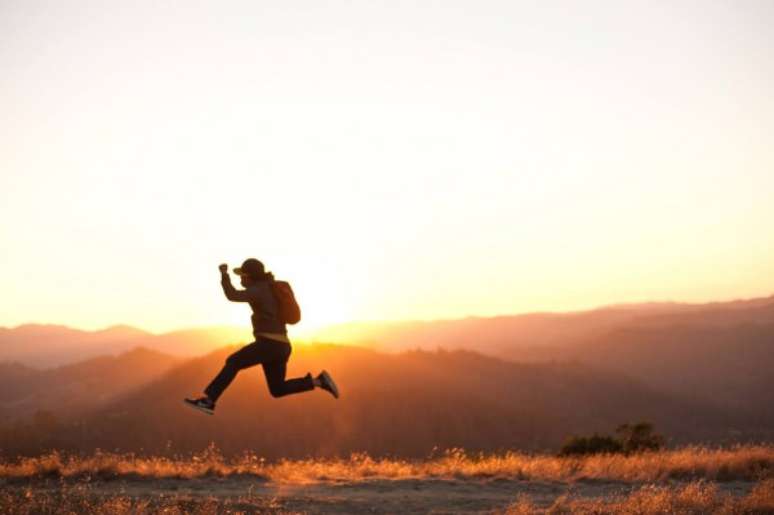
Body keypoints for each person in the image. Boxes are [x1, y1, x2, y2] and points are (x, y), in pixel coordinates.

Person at [184, 258, 338, 415]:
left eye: (242, 275)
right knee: (277, 389)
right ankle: (319, 381)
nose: (241, 279)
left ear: (250, 276)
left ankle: (208, 401)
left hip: (269, 344)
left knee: (234, 361)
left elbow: (232, 294)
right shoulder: (269, 287)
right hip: (282, 346)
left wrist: (224, 275)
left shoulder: (258, 290)